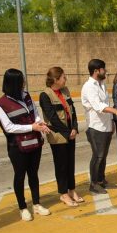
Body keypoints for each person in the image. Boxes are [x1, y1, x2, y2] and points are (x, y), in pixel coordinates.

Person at [0, 68, 51, 221]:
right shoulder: (1, 104)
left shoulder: (26, 96)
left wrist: (40, 122)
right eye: (21, 81)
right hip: (17, 147)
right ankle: (22, 207)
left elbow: (35, 112)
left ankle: (37, 204)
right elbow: (8, 127)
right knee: (20, 176)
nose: (24, 83)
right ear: (13, 83)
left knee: (33, 174)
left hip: (34, 143)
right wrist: (32, 127)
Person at [81, 59, 117, 194]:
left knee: (103, 155)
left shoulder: (101, 84)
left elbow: (106, 102)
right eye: (103, 69)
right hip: (95, 127)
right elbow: (98, 106)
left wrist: (112, 122)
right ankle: (94, 183)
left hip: (106, 125)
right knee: (98, 156)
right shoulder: (89, 86)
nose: (106, 71)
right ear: (96, 71)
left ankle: (101, 180)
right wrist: (116, 112)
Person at [39, 67, 84, 208]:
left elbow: (73, 112)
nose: (66, 79)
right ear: (55, 79)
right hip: (58, 135)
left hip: (70, 133)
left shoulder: (65, 91)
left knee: (70, 163)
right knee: (61, 165)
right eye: (63, 77)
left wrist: (75, 128)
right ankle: (63, 193)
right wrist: (67, 132)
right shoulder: (45, 95)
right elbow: (52, 118)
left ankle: (72, 190)